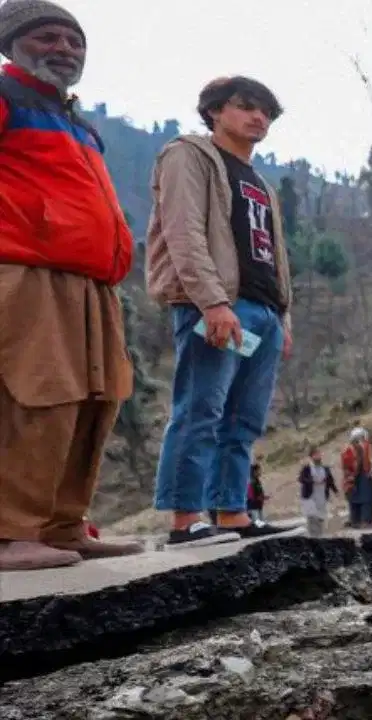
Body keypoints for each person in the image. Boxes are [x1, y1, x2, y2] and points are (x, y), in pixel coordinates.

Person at [0, 1, 144, 570]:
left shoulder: (76, 121)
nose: (65, 48)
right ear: (12, 43)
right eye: (48, 37)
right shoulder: (6, 98)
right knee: (37, 397)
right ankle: (11, 532)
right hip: (27, 271)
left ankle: (63, 526)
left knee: (96, 399)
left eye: (74, 40)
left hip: (92, 282)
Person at [147, 76, 295, 547]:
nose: (258, 118)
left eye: (267, 113)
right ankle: (186, 518)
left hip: (263, 312)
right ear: (213, 111)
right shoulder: (188, 155)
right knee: (200, 409)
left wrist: (282, 318)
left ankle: (232, 512)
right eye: (246, 107)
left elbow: (274, 253)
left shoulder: (261, 183)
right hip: (215, 305)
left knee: (244, 419)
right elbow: (183, 231)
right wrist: (211, 302)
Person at [297, 445, 337, 538]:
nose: (318, 456)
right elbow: (301, 479)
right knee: (312, 517)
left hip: (321, 495)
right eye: (316, 454)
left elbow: (330, 481)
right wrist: (312, 481)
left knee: (320, 517)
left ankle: (319, 536)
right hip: (309, 496)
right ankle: (313, 537)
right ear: (311, 456)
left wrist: (335, 491)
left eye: (319, 454)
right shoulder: (307, 468)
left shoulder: (325, 468)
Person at [341, 428, 372, 528]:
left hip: (359, 478)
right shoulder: (351, 450)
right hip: (355, 480)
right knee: (361, 501)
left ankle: (362, 522)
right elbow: (348, 466)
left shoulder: (360, 448)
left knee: (364, 501)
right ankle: (358, 522)